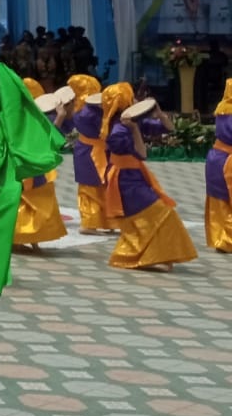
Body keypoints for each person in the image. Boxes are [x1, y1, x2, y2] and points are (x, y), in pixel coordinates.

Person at [95, 83, 198, 271]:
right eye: (132, 97)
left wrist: (158, 113)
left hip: (135, 176)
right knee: (159, 213)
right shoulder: (119, 131)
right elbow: (142, 154)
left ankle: (156, 255)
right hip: (125, 181)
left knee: (149, 216)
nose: (135, 100)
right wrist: (134, 130)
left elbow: (170, 128)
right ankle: (138, 255)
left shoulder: (133, 122)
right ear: (124, 103)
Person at [13, 77, 69, 253]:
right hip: (27, 165)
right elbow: (46, 140)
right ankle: (19, 236)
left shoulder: (20, 115)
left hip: (29, 165)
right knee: (30, 200)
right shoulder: (24, 118)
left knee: (35, 199)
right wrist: (59, 119)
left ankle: (31, 238)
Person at [64, 75, 114, 235]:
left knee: (92, 186)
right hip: (93, 151)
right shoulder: (92, 111)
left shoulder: (79, 108)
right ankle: (90, 222)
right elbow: (105, 131)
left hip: (85, 149)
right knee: (94, 187)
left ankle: (101, 221)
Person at [205, 80, 232, 253]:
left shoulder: (222, 108)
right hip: (229, 160)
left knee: (219, 201)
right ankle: (227, 240)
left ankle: (219, 237)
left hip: (215, 158)